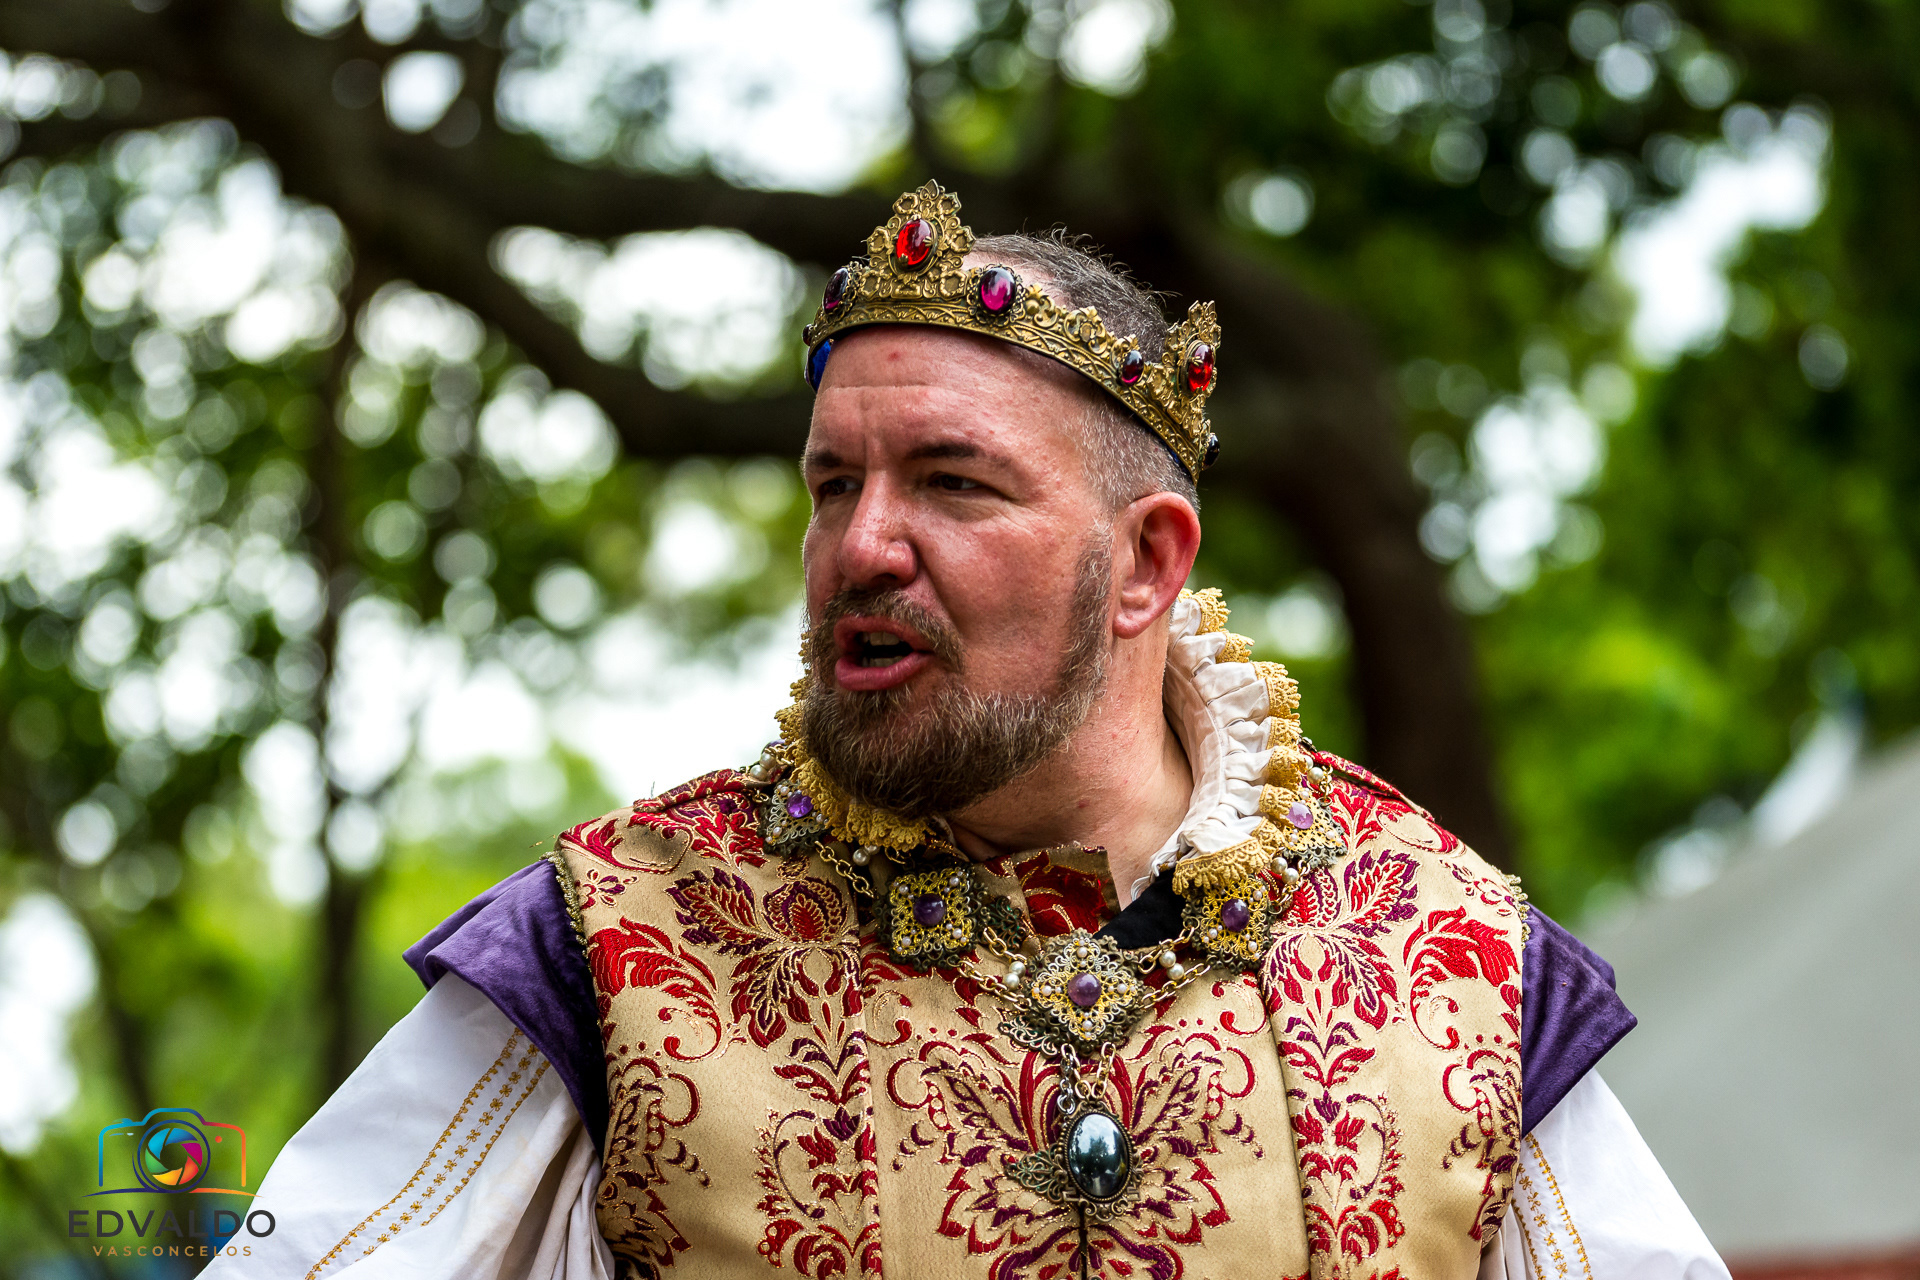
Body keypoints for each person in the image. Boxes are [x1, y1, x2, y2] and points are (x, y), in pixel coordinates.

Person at [214, 184, 1728, 1279]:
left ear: (1145, 565)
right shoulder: (613, 947)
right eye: (833, 485)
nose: (863, 545)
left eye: (952, 482)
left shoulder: (1452, 964)